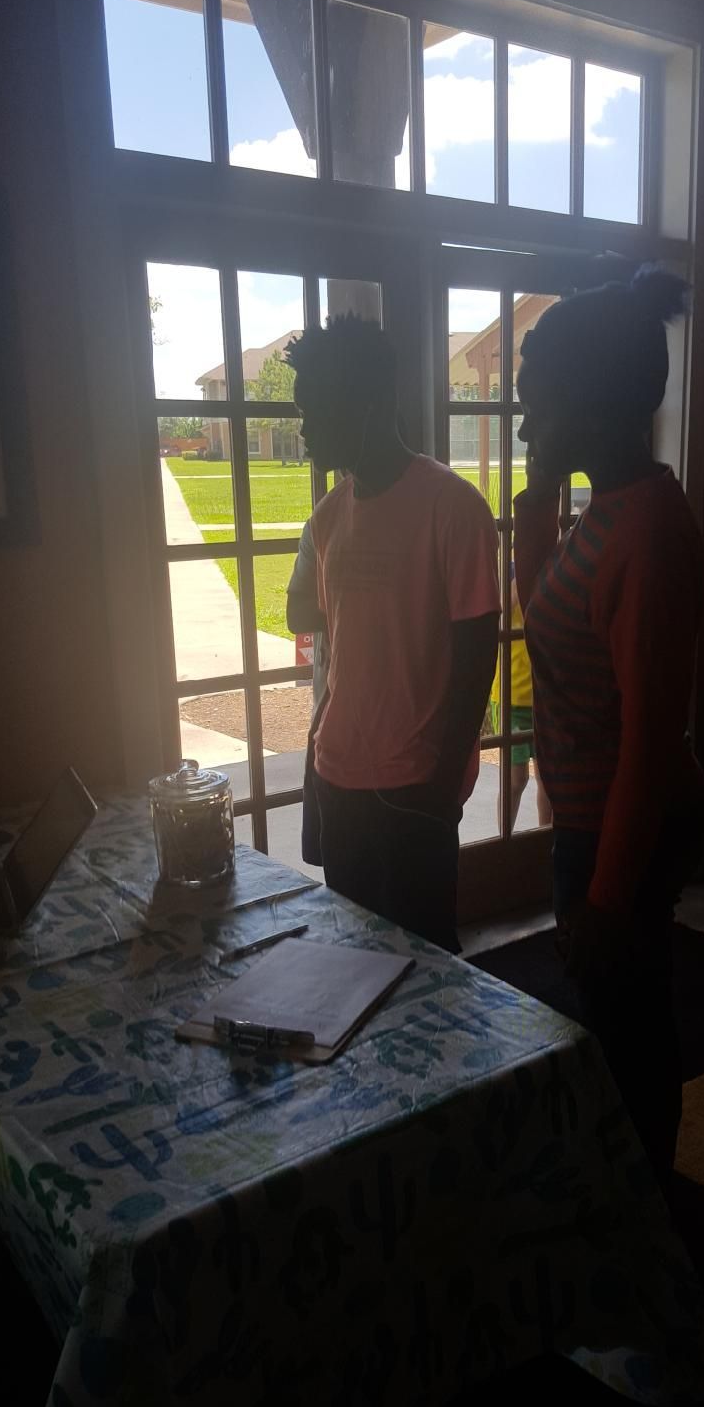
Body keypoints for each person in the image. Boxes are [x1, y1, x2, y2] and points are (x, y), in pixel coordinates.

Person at [514, 265, 704, 1181]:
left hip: (617, 832)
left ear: (585, 403)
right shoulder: (608, 512)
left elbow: (651, 742)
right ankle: (619, 1189)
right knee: (602, 1021)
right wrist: (534, 506)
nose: (523, 426)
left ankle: (648, 1213)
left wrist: (605, 897)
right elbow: (549, 638)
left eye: (535, 405)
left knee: (627, 1032)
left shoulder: (649, 535)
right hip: (589, 823)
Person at [285, 315, 499, 952]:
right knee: (351, 960)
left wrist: (438, 790)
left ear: (370, 404)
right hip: (336, 776)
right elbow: (331, 644)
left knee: (428, 971)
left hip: (413, 789)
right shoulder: (327, 519)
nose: (306, 431)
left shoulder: (453, 509)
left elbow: (475, 658)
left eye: (316, 411)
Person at [489, 564, 551, 832]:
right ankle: (504, 841)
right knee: (515, 780)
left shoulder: (553, 567)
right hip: (511, 693)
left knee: (548, 780)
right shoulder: (509, 570)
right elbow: (497, 614)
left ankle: (544, 842)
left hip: (544, 691)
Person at [287, 519, 330, 867]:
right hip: (333, 718)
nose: (309, 458)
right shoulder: (324, 521)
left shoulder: (323, 520)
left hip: (409, 731)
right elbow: (296, 615)